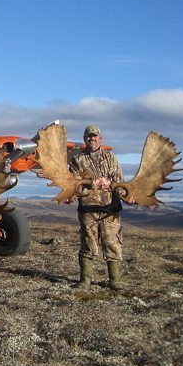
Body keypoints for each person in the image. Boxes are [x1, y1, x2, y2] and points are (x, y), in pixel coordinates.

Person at [69, 124, 131, 290]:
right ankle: (85, 280)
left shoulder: (111, 158)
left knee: (112, 243)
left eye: (95, 136)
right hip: (88, 209)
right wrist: (93, 184)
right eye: (89, 136)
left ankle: (114, 280)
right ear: (84, 139)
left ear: (100, 138)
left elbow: (119, 182)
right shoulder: (77, 160)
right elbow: (73, 185)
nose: (92, 138)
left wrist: (123, 194)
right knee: (88, 244)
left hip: (110, 209)